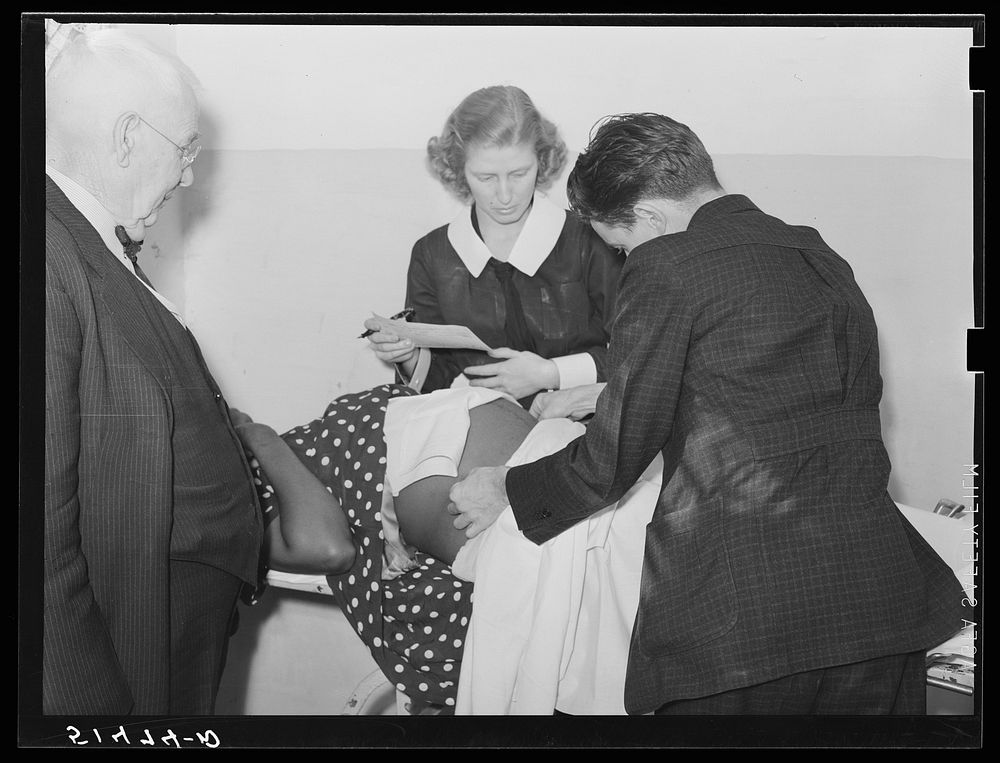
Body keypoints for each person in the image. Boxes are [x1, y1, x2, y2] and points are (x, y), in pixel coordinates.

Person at [449, 112, 968, 715]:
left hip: (748, 627)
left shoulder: (669, 263)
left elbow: (609, 459)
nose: (624, 260)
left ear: (650, 218)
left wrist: (509, 493)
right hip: (880, 603)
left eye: (621, 247)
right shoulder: (817, 251)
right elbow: (807, 404)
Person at [43, 29, 262, 715]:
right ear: (127, 137)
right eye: (186, 150)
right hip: (129, 642)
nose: (190, 175)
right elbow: (35, 549)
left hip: (179, 617)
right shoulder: (46, 257)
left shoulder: (90, 236)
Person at [232, 383, 655, 714]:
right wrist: (257, 433)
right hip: (548, 515)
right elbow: (328, 549)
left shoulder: (272, 461)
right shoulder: (234, 505)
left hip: (570, 467)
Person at [365, 85, 624, 407]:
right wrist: (407, 356)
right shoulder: (432, 255)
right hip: (482, 423)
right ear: (458, 170)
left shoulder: (591, 239)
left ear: (542, 161)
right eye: (486, 178)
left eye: (519, 174)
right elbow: (436, 383)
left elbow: (639, 354)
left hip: (583, 418)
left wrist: (550, 373)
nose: (504, 195)